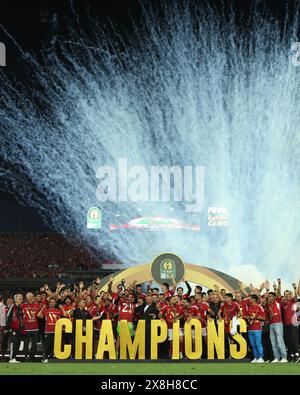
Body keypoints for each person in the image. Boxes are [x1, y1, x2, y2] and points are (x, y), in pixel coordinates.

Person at [266, 292, 287, 363]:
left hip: (278, 323)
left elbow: (278, 293)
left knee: (280, 341)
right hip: (271, 325)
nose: (269, 297)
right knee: (273, 342)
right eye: (268, 296)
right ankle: (276, 357)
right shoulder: (268, 305)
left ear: (274, 297)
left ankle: (284, 357)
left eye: (270, 296)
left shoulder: (277, 302)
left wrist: (278, 284)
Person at [246, 294, 265, 363]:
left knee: (258, 343)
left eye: (250, 298)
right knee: (253, 344)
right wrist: (248, 318)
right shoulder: (249, 307)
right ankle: (256, 357)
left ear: (254, 299)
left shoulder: (259, 307)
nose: (249, 300)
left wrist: (256, 317)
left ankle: (261, 357)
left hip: (257, 328)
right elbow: (247, 316)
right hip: (250, 328)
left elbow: (264, 318)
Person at [6, 294, 25, 363]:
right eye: (20, 299)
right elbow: (8, 317)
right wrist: (9, 328)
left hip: (19, 329)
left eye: (22, 299)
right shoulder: (12, 307)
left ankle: (14, 357)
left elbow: (21, 319)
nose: (21, 300)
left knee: (18, 343)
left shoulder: (20, 308)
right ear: (15, 299)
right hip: (13, 329)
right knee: (13, 343)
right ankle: (12, 358)